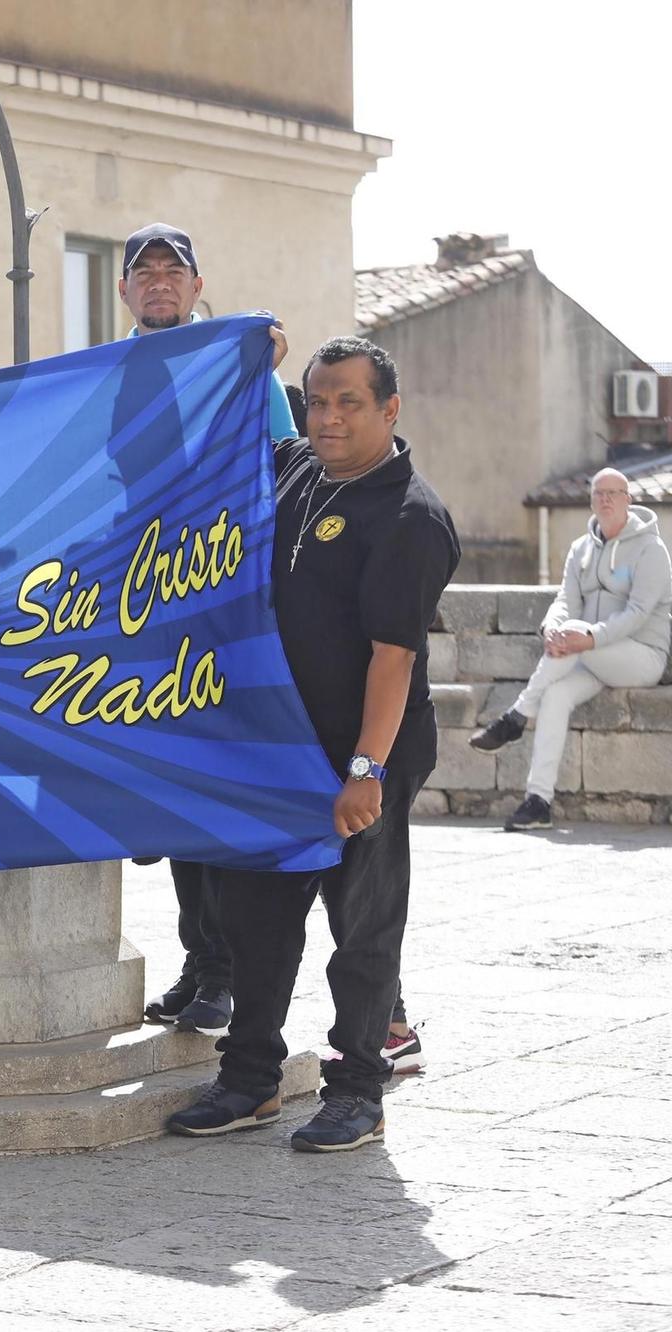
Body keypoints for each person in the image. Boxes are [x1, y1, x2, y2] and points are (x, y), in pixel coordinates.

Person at [166, 336, 459, 1152]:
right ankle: (250, 1080)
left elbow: (392, 660)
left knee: (361, 925)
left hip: (364, 753)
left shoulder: (409, 517)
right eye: (317, 400)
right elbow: (225, 433)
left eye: (349, 403)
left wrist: (363, 772)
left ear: (390, 410)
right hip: (276, 750)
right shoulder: (300, 466)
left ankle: (358, 1088)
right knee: (257, 917)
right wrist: (244, 360)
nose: (328, 418)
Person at [115, 223, 293, 1038]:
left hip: (228, 607)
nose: (158, 283)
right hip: (147, 608)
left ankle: (228, 970)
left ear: (195, 285)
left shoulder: (242, 359)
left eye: (171, 271)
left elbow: (291, 475)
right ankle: (202, 960)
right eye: (142, 272)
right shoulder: (105, 375)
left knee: (220, 786)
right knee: (177, 787)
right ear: (123, 292)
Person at [469, 467, 669, 830]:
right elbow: (565, 601)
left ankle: (515, 717)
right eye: (598, 493)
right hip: (590, 657)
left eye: (613, 493)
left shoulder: (651, 550)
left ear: (628, 499)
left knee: (574, 634)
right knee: (556, 695)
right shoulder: (580, 549)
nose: (605, 499)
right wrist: (552, 628)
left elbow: (638, 614)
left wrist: (587, 637)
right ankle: (538, 801)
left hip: (641, 656)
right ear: (590, 500)